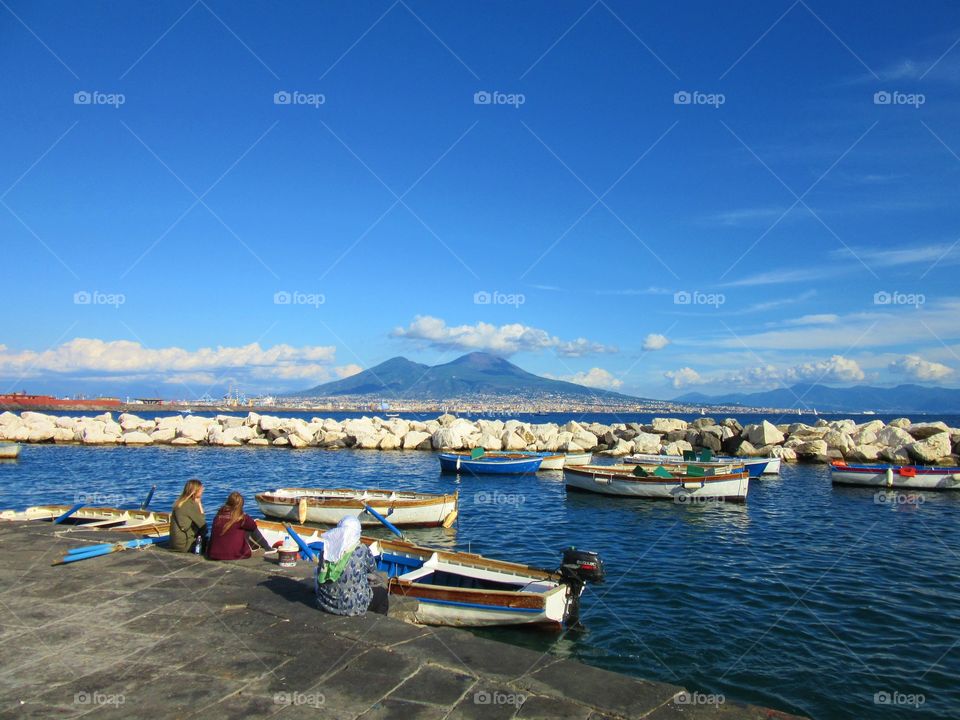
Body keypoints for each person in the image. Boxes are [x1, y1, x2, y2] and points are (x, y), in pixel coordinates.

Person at [315, 516, 388, 616]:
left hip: (324, 604)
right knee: (381, 593)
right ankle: (379, 622)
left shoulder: (326, 549)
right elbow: (372, 568)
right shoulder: (362, 549)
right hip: (353, 607)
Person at [207, 492, 269, 561]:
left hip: (214, 554)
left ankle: (261, 547)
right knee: (249, 529)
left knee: (242, 528)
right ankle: (267, 547)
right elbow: (253, 526)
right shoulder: (241, 518)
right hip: (235, 554)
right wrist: (244, 514)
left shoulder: (218, 516)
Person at [169, 479, 207, 553]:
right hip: (184, 545)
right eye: (201, 489)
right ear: (195, 491)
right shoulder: (190, 505)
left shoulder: (179, 502)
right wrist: (199, 503)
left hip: (174, 543)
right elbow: (203, 524)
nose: (203, 490)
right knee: (203, 532)